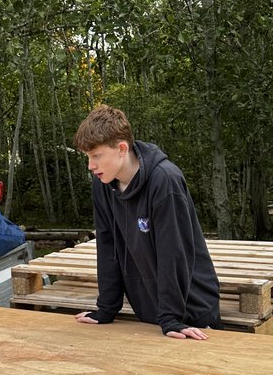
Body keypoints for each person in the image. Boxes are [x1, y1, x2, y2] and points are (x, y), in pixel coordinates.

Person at [72, 104, 221, 339]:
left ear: (121, 148)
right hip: (150, 311)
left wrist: (172, 317)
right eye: (88, 157)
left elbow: (174, 253)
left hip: (190, 310)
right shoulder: (103, 186)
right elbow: (108, 245)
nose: (91, 166)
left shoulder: (164, 181)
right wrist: (107, 308)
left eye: (96, 156)